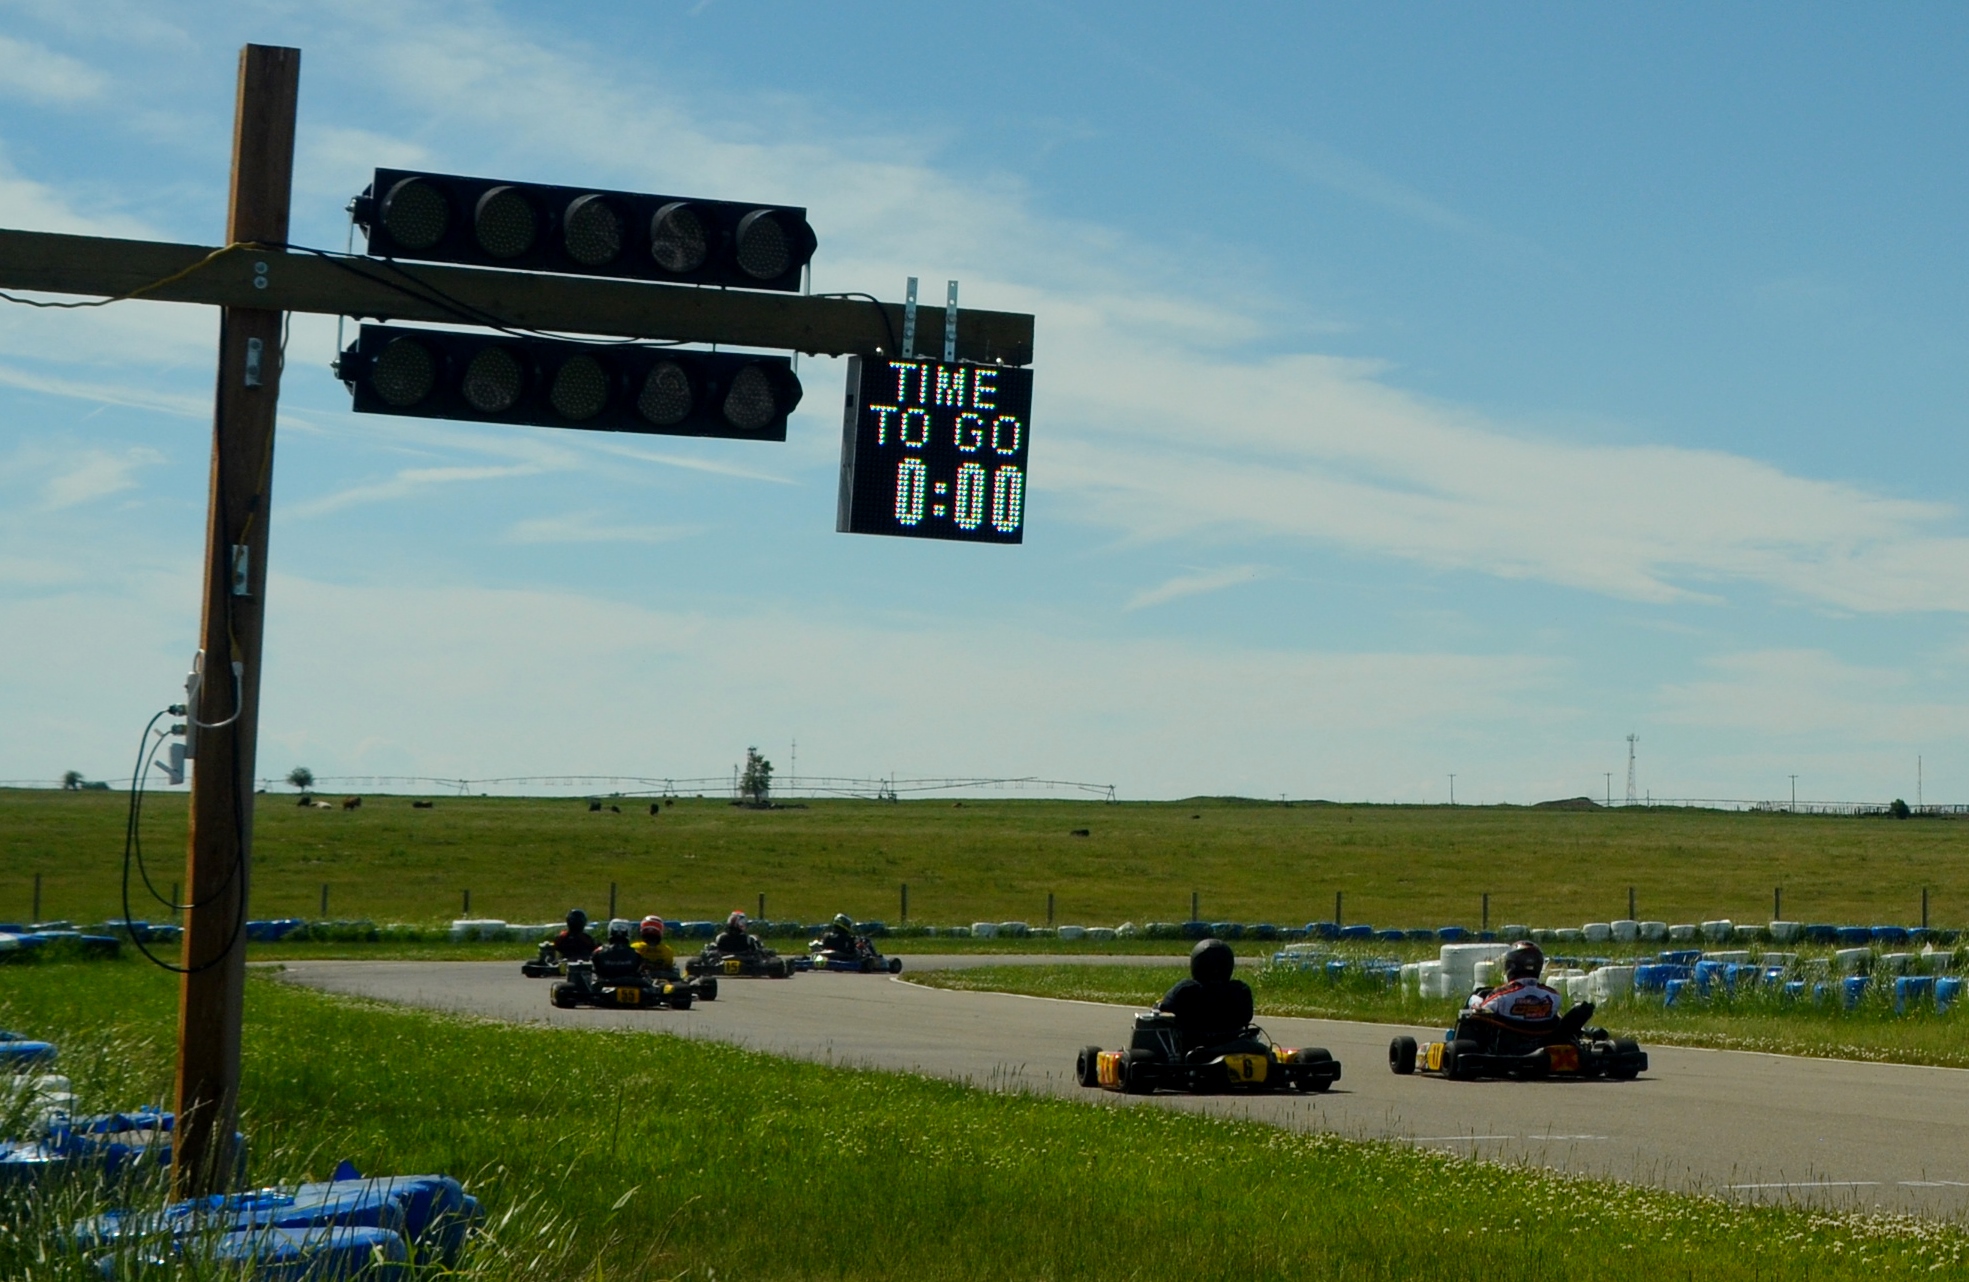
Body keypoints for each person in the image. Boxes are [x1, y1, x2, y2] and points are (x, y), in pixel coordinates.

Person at [1154, 938, 1254, 1047]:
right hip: (1232, 1044)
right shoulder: (1240, 990)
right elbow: (1247, 1017)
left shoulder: (1185, 990)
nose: (1215, 970)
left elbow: (1164, 1009)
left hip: (1194, 1046)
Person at [1472, 941, 1564, 1023]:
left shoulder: (1500, 997)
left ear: (1511, 966)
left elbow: (1480, 1011)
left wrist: (1475, 1001)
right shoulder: (1554, 997)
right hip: (1543, 1036)